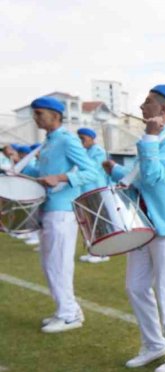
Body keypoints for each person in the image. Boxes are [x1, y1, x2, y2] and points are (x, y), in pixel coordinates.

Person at [103, 85, 165, 372]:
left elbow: (154, 176)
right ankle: (154, 344)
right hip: (143, 225)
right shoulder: (154, 140)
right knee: (136, 287)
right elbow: (141, 178)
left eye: (148, 102)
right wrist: (115, 172)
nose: (142, 106)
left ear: (163, 111)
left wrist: (150, 138)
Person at [20, 97, 99, 333]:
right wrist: (22, 167)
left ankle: (68, 315)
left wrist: (61, 178)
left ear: (55, 115)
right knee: (49, 264)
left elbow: (91, 171)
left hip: (63, 209)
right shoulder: (48, 142)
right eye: (34, 113)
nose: (36, 118)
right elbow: (44, 173)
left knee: (59, 263)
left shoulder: (66, 140)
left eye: (39, 113)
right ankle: (66, 310)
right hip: (49, 207)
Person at [75, 128, 111, 264]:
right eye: (79, 138)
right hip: (85, 192)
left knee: (98, 223)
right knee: (89, 223)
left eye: (82, 138)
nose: (80, 141)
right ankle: (93, 251)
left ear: (91, 138)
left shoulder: (98, 152)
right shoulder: (85, 152)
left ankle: (103, 253)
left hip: (96, 191)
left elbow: (92, 171)